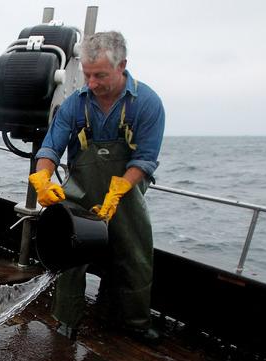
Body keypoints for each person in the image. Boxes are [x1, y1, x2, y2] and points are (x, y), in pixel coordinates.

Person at [29, 31, 165, 344]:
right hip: (79, 195)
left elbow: (145, 160)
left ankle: (135, 322)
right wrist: (43, 178)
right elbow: (50, 148)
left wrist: (118, 192)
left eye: (100, 75)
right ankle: (66, 321)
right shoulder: (75, 105)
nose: (91, 83)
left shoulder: (147, 103)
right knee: (70, 260)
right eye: (88, 75)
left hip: (125, 196)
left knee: (135, 258)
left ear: (122, 66)